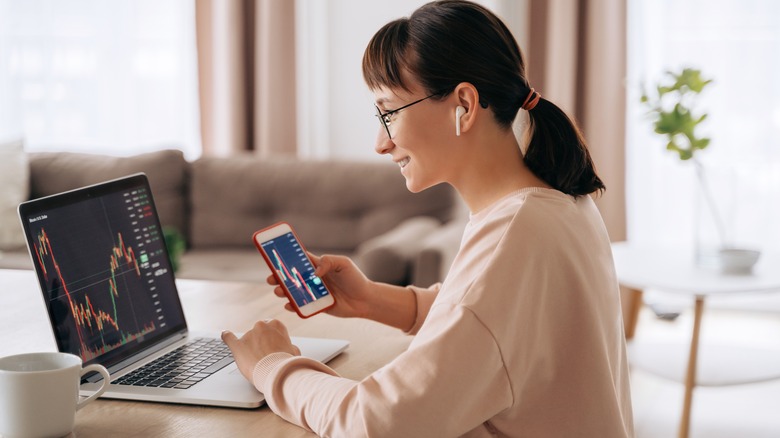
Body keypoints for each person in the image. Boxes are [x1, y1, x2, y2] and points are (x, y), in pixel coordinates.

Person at [221, 1, 634, 436]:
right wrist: (373, 300)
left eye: (389, 113)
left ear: (465, 105)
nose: (380, 143)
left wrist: (273, 366)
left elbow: (374, 423)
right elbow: (497, 324)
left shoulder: (515, 236)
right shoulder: (556, 202)